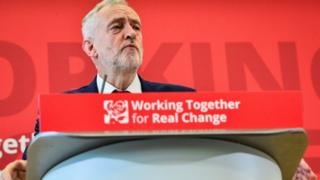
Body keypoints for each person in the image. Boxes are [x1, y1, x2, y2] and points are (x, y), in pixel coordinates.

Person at [0, 0, 317, 180]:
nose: (130, 34)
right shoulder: (61, 112)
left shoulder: (182, 100)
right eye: (117, 26)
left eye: (136, 27)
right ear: (90, 47)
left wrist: (282, 159)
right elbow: (32, 171)